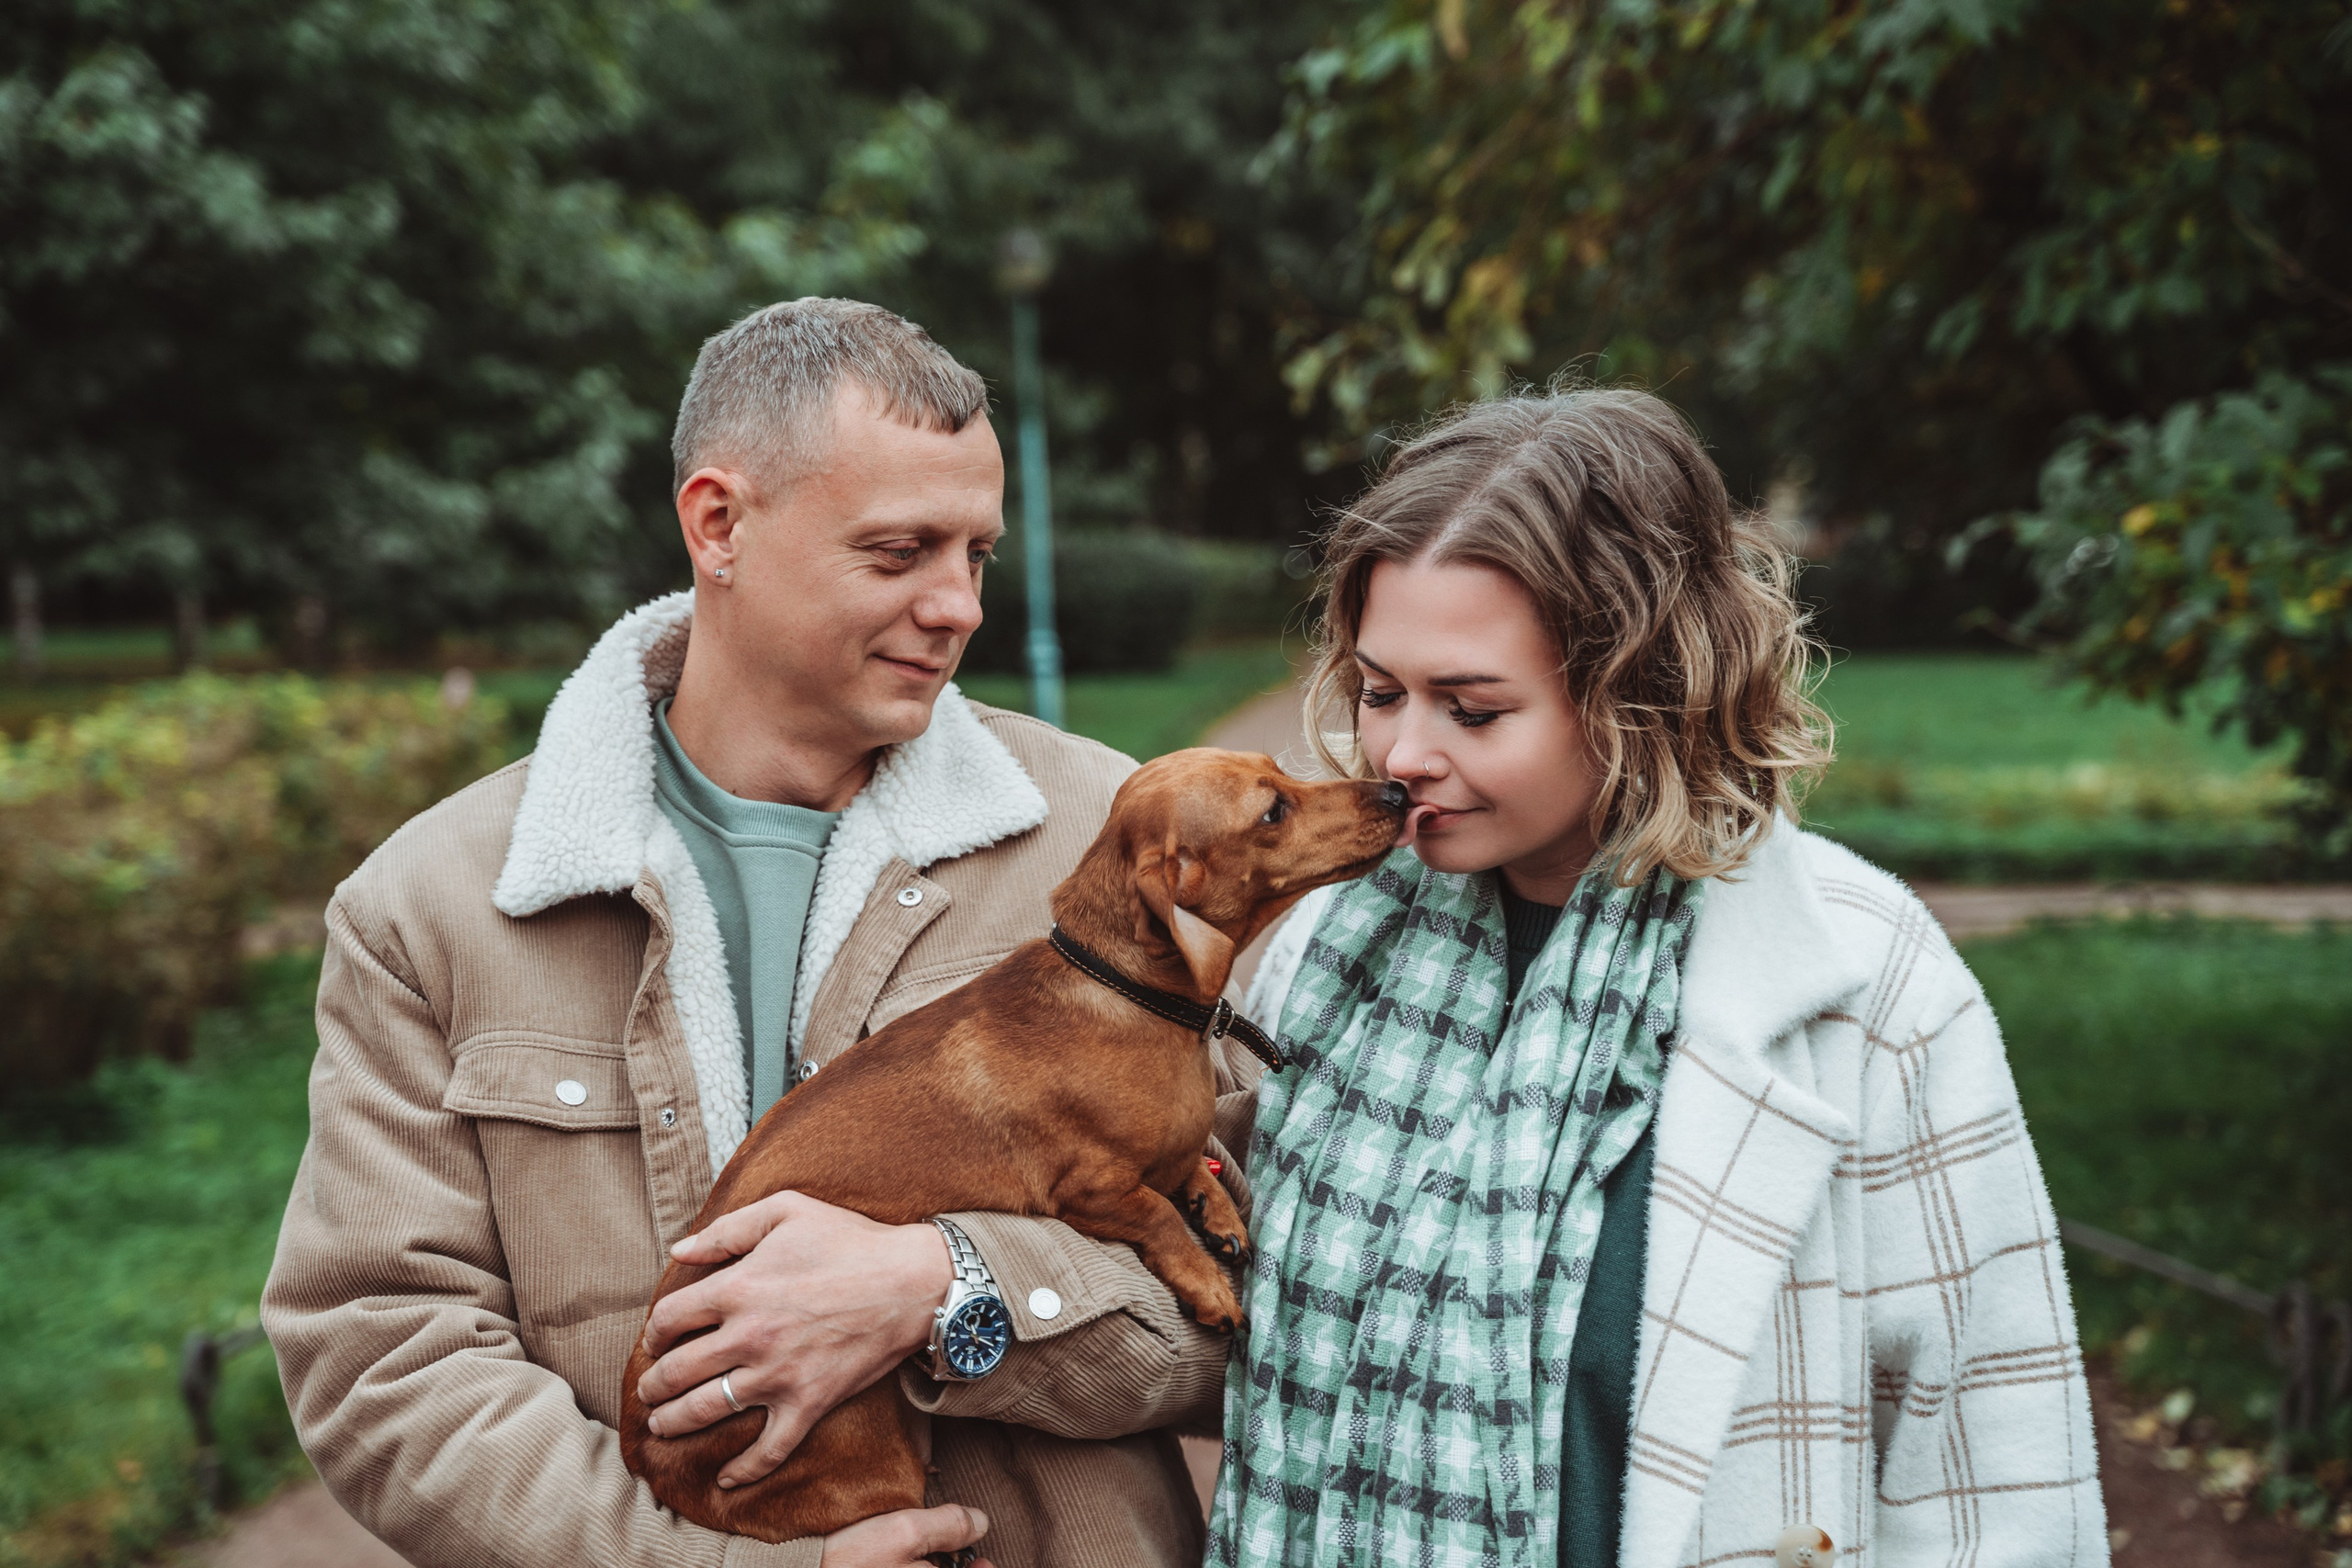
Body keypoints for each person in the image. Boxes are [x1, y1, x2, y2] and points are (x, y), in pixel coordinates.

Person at [263, 299, 1250, 1568]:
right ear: (718, 524)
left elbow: (1266, 1297)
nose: (957, 606)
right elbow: (384, 1357)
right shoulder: (433, 903)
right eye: (900, 552)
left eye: (977, 555)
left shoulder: (1106, 840)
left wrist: (950, 1288)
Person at [1207, 389, 2106, 1568]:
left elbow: (1991, 1469)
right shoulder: (1323, 952)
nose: (1403, 755)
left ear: (1641, 691)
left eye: (1472, 709)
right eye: (1381, 693)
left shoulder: (1864, 983)